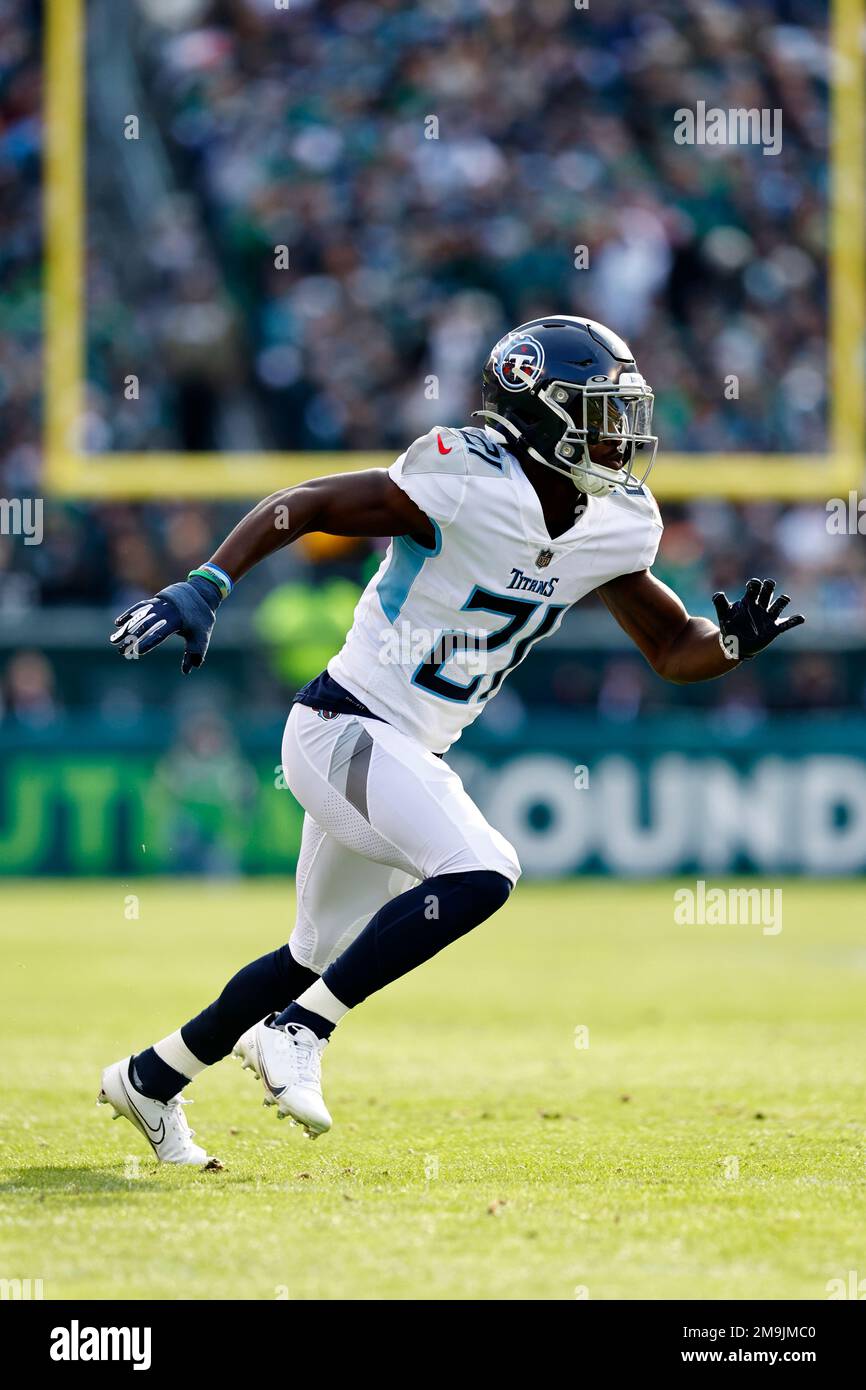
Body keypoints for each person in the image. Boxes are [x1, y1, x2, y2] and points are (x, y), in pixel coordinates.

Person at [99, 316, 804, 1164]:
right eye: (596, 412)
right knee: (484, 870)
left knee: (310, 952)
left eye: (623, 413)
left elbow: (667, 647)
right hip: (343, 725)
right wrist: (208, 581)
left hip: (403, 748)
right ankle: (300, 1032)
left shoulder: (618, 523)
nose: (619, 434)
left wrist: (726, 645)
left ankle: (150, 1077)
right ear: (537, 413)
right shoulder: (466, 475)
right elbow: (309, 504)